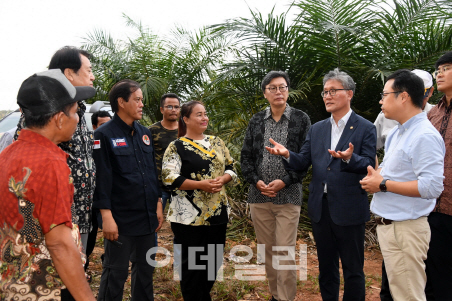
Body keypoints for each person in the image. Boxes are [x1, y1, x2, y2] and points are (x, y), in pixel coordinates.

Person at [266, 68, 376, 301]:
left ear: (349, 93)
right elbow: (303, 160)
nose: (327, 96)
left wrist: (348, 158)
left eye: (333, 91)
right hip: (320, 208)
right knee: (326, 269)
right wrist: (287, 154)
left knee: (353, 270)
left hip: (349, 208)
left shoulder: (365, 127)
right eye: (325, 92)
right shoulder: (317, 128)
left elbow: (368, 163)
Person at [0, 69, 96, 300]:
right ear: (59, 118)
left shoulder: (8, 154)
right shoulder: (51, 163)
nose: (77, 119)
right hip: (44, 286)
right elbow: (59, 245)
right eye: (75, 112)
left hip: (12, 283)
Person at [361, 69, 445, 301]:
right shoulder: (399, 132)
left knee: (409, 296)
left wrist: (383, 184)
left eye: (385, 94)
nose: (380, 100)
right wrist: (378, 176)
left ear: (404, 96)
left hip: (406, 228)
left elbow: (431, 187)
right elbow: (399, 172)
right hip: (393, 227)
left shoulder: (423, 135)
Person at [14, 46, 96, 255]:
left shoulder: (80, 110)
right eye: (88, 70)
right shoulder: (45, 113)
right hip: (55, 221)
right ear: (69, 73)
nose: (93, 77)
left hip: (82, 215)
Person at [241, 71, 310, 301]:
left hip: (288, 196)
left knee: (285, 252)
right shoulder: (256, 120)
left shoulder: (301, 119)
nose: (278, 92)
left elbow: (305, 159)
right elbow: (246, 157)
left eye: (282, 87)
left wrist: (285, 181)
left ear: (288, 91)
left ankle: (285, 298)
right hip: (259, 197)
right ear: (265, 93)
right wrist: (256, 181)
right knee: (268, 252)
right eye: (272, 88)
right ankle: (275, 295)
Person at [93, 79, 163, 301]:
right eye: (137, 100)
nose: (142, 104)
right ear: (121, 102)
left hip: (147, 218)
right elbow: (101, 179)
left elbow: (152, 173)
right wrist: (106, 216)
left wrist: (158, 203)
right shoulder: (103, 134)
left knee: (145, 272)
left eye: (142, 100)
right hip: (120, 219)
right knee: (116, 272)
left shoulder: (145, 133)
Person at [162, 100, 239, 301]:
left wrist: (223, 179)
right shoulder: (176, 146)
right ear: (185, 119)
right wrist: (200, 184)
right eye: (199, 114)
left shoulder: (218, 142)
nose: (204, 117)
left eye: (205, 114)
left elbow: (232, 168)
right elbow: (169, 178)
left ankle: (201, 296)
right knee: (192, 266)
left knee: (212, 264)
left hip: (217, 214)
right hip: (188, 217)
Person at [425, 51, 452, 300]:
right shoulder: (433, 113)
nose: (439, 73)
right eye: (438, 69)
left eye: (446, 68)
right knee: (433, 275)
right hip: (431, 206)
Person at [374, 69, 435, 150]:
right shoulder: (386, 116)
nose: (417, 98)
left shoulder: (437, 114)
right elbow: (369, 148)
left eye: (422, 93)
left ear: (430, 92)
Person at [85, 110, 111, 273]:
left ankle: (108, 261)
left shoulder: (114, 144)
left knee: (111, 233)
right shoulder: (86, 144)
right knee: (89, 238)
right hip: (87, 201)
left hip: (105, 200)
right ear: (94, 126)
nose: (107, 128)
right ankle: (83, 267)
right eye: (103, 125)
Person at [149, 93, 180, 212]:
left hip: (181, 185)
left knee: (181, 225)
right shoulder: (151, 131)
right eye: (169, 107)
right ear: (162, 109)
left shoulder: (186, 129)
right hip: (159, 187)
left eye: (176, 107)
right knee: (154, 222)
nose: (173, 110)